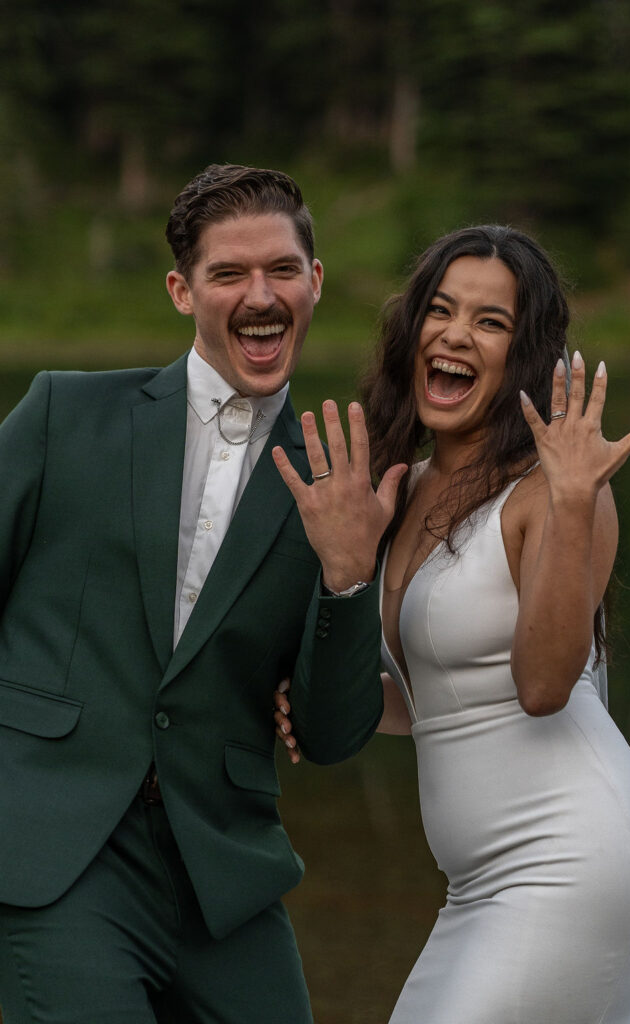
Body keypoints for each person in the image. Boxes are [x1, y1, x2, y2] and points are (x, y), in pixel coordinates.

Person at [0, 163, 407, 1024]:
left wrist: (347, 574)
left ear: (315, 281)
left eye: (281, 271)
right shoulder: (62, 415)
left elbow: (331, 737)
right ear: (184, 291)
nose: (260, 295)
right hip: (51, 853)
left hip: (223, 871)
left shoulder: (339, 478)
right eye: (229, 274)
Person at [274, 225, 630, 1023]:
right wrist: (308, 689)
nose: (455, 333)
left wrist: (571, 503)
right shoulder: (408, 486)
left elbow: (539, 685)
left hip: (571, 863)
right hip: (477, 884)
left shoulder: (557, 491)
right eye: (440, 309)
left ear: (524, 356)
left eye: (490, 322)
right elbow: (436, 699)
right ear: (411, 330)